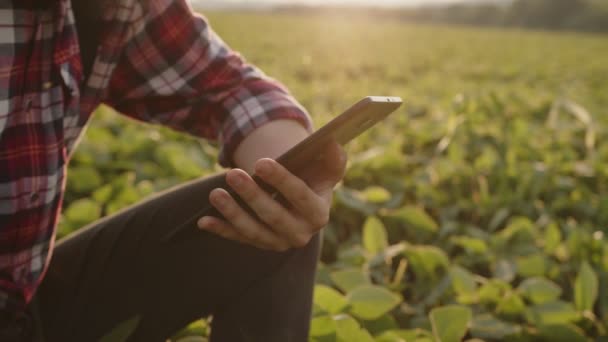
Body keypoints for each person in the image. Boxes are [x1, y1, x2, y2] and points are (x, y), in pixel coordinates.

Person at [0, 0, 347, 341]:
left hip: (21, 301)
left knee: (276, 213)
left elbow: (227, 86)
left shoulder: (116, 6)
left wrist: (289, 174)